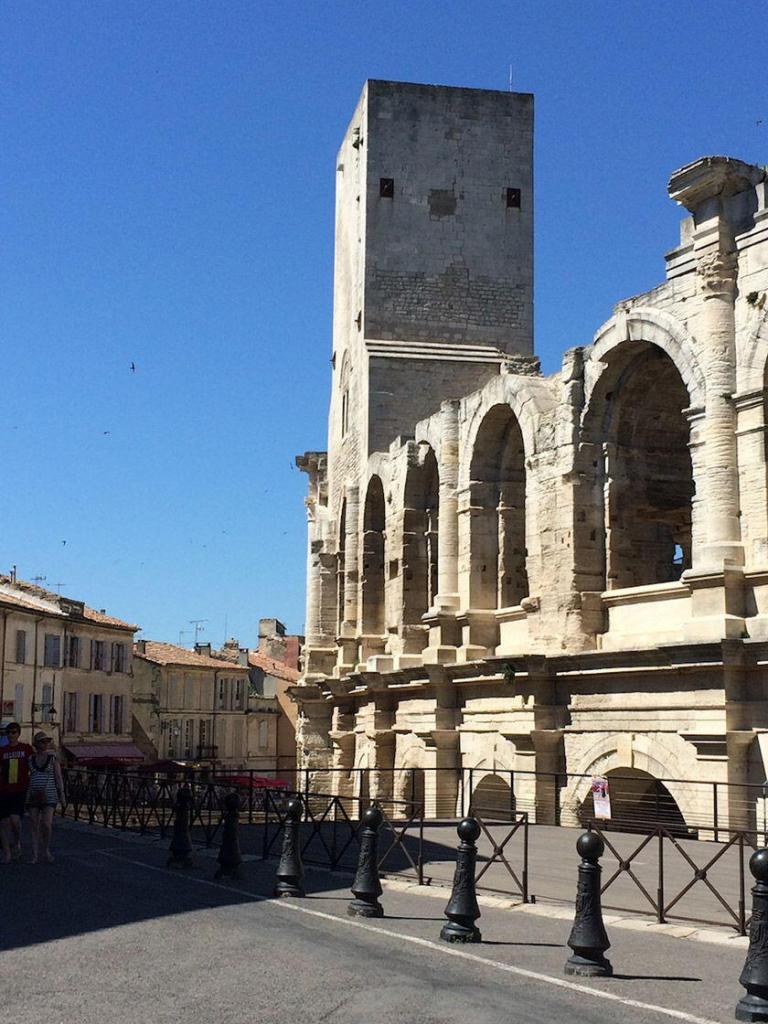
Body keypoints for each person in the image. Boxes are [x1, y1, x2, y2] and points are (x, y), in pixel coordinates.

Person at [26, 732, 65, 864]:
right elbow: (29, 776)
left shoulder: (52, 758)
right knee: (34, 824)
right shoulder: (30, 759)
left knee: (46, 824)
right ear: (36, 744)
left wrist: (62, 796)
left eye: (47, 741)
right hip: (34, 794)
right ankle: (35, 854)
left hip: (50, 795)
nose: (45, 744)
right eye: (42, 741)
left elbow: (58, 777)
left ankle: (46, 848)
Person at [0, 722, 33, 863]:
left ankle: (17, 842)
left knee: (15, 820)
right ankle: (7, 853)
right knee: (3, 822)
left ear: (19, 733)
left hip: (19, 789)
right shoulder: (2, 751)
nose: (11, 735)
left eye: (13, 732)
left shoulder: (25, 749)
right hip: (4, 789)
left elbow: (34, 764)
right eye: (8, 733)